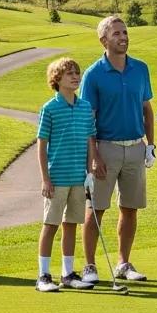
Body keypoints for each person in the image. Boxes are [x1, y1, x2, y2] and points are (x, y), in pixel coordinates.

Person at [79, 15, 156, 284]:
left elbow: (147, 109)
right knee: (96, 208)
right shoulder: (93, 74)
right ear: (104, 40)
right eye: (116, 34)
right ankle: (89, 265)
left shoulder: (140, 68)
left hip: (135, 147)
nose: (123, 37)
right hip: (106, 148)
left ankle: (123, 263)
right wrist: (94, 155)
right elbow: (88, 118)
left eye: (124, 32)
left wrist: (151, 144)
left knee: (130, 208)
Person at [35, 57, 97, 292]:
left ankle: (68, 274)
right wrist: (45, 178)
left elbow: (90, 140)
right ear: (57, 79)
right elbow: (41, 145)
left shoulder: (84, 108)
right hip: (57, 178)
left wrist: (90, 170)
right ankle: (43, 276)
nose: (75, 77)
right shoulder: (49, 108)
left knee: (71, 224)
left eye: (77, 73)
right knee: (50, 225)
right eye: (69, 73)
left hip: (78, 179)